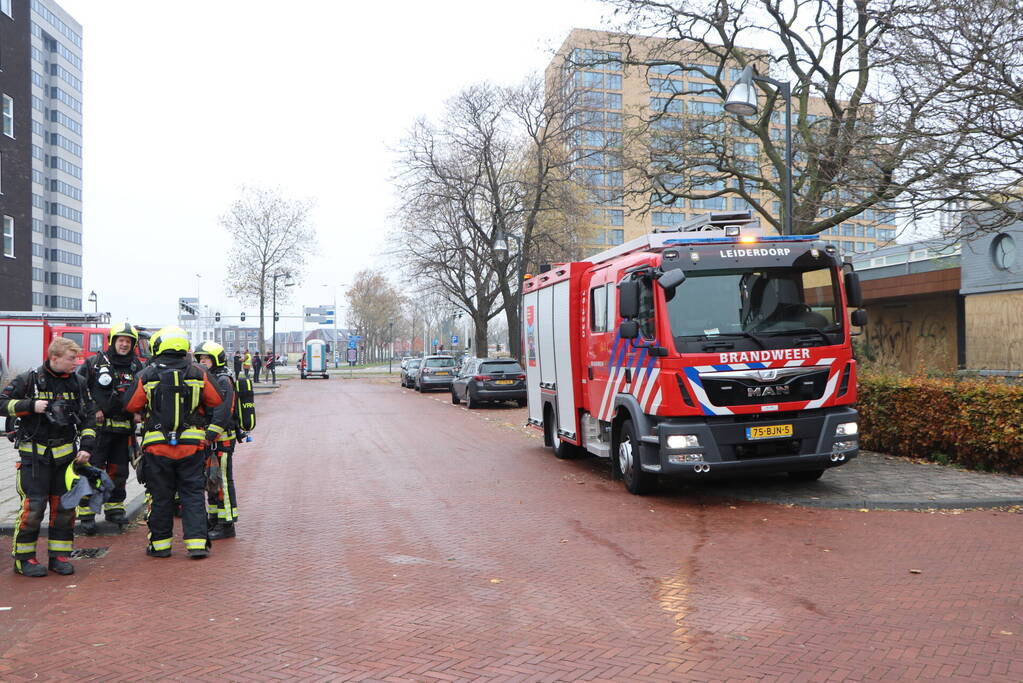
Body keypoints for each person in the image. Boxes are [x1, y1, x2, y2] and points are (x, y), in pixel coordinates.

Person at [124, 326, 224, 559]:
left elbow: (130, 405)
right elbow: (216, 399)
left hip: (157, 447)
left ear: (159, 346)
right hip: (191, 445)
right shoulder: (199, 372)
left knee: (161, 496)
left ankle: (160, 546)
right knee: (192, 494)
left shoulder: (147, 374)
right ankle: (197, 544)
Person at [2, 337, 96, 577]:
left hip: (66, 457)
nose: (76, 362)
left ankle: (59, 556)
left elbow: (89, 416)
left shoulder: (78, 382)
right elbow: (2, 403)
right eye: (71, 358)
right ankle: (24, 559)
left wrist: (86, 446)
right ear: (55, 358)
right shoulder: (29, 379)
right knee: (34, 507)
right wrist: (30, 405)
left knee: (64, 508)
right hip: (34, 456)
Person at [75, 322, 145, 534]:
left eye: (128, 341)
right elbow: (79, 390)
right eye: (120, 340)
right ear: (113, 341)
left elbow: (143, 393)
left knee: (119, 471)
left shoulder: (137, 367)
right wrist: (93, 409)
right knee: (92, 470)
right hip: (97, 430)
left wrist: (139, 411)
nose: (124, 345)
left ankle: (114, 509)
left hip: (123, 431)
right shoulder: (94, 363)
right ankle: (86, 513)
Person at [194, 342, 239, 540]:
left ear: (216, 359)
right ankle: (214, 518)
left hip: (222, 440)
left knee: (223, 481)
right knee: (211, 481)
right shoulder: (210, 379)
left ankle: (227, 523)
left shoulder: (222, 380)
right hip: (210, 440)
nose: (202, 362)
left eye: (206, 359)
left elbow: (223, 413)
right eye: (200, 359)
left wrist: (210, 435)